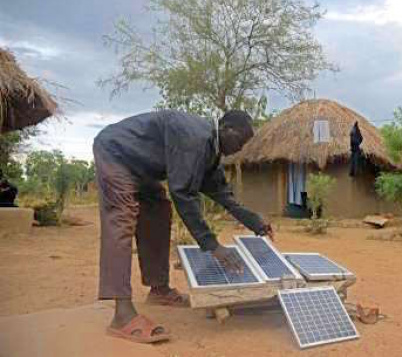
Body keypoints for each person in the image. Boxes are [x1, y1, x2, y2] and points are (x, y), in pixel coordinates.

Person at [93, 109, 274, 344]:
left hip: (144, 167)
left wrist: (255, 222)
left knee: (158, 211)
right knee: (121, 217)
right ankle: (122, 315)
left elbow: (223, 195)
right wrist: (212, 245)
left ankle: (159, 290)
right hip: (116, 153)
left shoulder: (211, 153)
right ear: (226, 128)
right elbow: (184, 194)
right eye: (241, 139)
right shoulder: (195, 138)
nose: (241, 147)